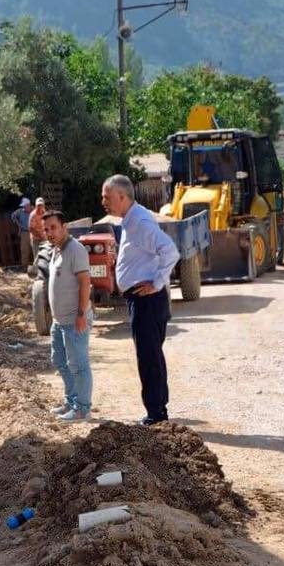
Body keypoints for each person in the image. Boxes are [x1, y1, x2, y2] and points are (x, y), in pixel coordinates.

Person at [101, 175, 179, 426]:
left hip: (147, 300)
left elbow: (170, 251)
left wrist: (156, 282)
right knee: (151, 356)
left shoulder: (140, 223)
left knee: (149, 357)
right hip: (143, 300)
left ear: (122, 197)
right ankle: (158, 410)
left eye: (107, 197)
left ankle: (156, 415)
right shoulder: (132, 218)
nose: (103, 201)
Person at [43, 210, 94, 423]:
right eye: (46, 229)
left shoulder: (76, 250)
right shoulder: (55, 250)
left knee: (79, 365)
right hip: (59, 321)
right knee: (60, 361)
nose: (49, 232)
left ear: (65, 227)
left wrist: (81, 315)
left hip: (74, 320)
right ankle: (71, 400)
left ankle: (82, 408)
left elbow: (85, 283)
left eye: (53, 227)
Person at [11, 198, 32, 267]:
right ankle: (24, 267)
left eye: (25, 206)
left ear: (28, 205)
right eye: (23, 206)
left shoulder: (35, 210)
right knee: (24, 251)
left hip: (34, 233)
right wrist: (18, 224)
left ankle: (37, 268)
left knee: (36, 251)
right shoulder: (20, 212)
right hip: (24, 233)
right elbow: (13, 216)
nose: (24, 207)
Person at [28, 197, 48, 263]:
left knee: (46, 255)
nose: (40, 207)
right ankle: (36, 272)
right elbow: (31, 229)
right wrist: (40, 236)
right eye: (38, 205)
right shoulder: (33, 215)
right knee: (37, 257)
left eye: (41, 205)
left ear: (43, 205)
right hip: (35, 239)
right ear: (36, 205)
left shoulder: (45, 213)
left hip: (44, 237)